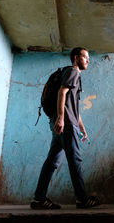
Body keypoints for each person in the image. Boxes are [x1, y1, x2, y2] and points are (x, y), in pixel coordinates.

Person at [30, 47, 101, 209]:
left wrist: (82, 127)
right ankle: (82, 199)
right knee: (75, 159)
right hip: (66, 123)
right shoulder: (73, 72)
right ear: (76, 58)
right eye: (85, 57)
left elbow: (73, 105)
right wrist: (62, 118)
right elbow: (62, 93)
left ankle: (39, 199)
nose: (88, 60)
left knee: (52, 162)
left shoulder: (70, 74)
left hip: (65, 122)